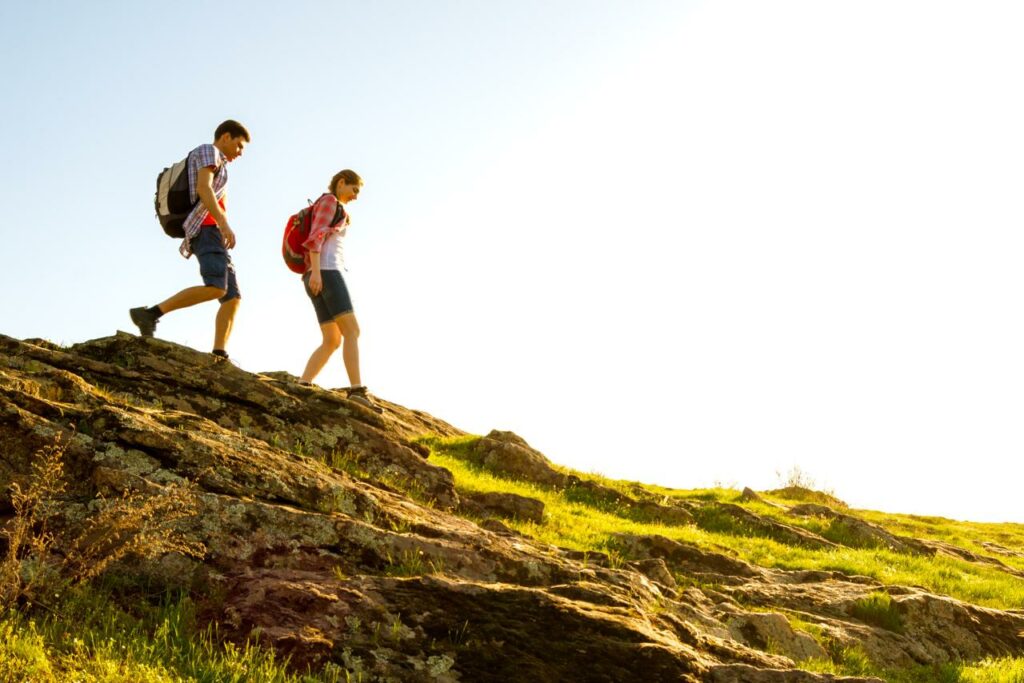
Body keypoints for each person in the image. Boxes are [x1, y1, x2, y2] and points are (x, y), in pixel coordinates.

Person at [129, 120, 250, 361]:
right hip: (205, 229)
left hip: (213, 230)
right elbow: (204, 189)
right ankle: (151, 314)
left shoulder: (222, 165)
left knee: (232, 297)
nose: (240, 152)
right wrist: (224, 225)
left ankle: (218, 353)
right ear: (225, 136)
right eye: (239, 145)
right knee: (217, 287)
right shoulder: (210, 151)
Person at [299, 169, 377, 410]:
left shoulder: (333, 205)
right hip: (327, 272)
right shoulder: (330, 201)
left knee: (332, 339)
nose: (356, 196)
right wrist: (318, 273)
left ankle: (303, 384)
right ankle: (356, 390)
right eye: (354, 190)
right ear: (341, 183)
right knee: (352, 330)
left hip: (316, 274)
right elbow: (316, 237)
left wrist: (313, 273)